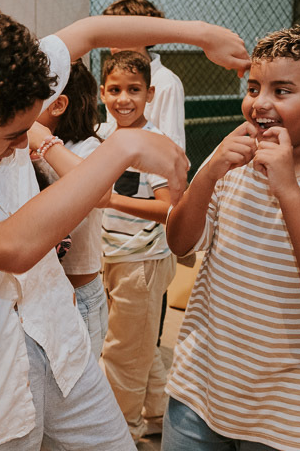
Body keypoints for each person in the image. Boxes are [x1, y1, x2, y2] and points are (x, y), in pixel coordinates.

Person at [0, 4, 249, 451]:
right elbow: (10, 244)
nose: (29, 141)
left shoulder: (4, 77)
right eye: (14, 134)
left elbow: (90, 30)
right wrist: (122, 147)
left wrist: (199, 32)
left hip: (62, 346)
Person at [162, 24, 300, 451]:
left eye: (282, 91)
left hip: (285, 411)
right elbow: (180, 242)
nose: (260, 102)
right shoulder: (231, 166)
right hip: (198, 389)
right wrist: (208, 172)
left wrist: (288, 189)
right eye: (254, 87)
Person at [97, 51, 176, 441]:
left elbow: (168, 209)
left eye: (134, 90)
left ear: (151, 94)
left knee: (123, 353)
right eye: (115, 89)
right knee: (140, 341)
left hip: (142, 260)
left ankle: (122, 434)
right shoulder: (103, 135)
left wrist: (109, 200)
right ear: (102, 92)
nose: (123, 99)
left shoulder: (153, 144)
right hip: (112, 255)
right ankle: (161, 415)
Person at [31, 60, 109, 358]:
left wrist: (43, 142)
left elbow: (99, 192)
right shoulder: (20, 148)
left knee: (80, 391)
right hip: (39, 294)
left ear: (58, 104)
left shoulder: (86, 147)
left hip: (78, 292)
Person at [102, 0, 187, 150]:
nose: (113, 46)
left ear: (144, 34)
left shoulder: (166, 82)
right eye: (109, 36)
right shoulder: (113, 77)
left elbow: (174, 146)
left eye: (120, 35)